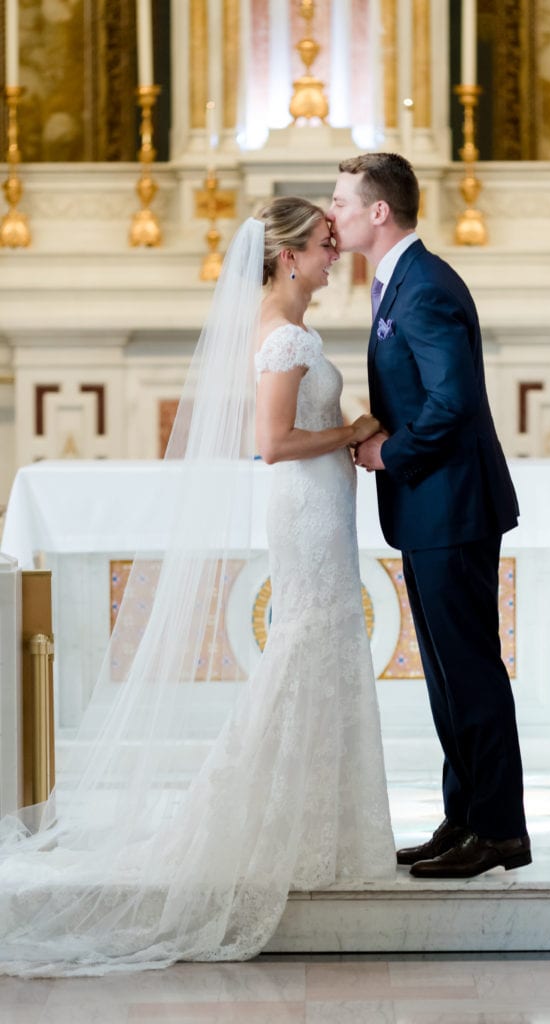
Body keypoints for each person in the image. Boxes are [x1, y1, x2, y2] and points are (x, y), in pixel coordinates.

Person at [0, 198, 395, 976]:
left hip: (322, 503)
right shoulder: (281, 334)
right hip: (306, 504)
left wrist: (349, 428)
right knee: (308, 641)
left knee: (323, 642)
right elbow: (274, 443)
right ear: (286, 257)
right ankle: (286, 825)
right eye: (321, 246)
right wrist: (351, 432)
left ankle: (325, 827)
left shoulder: (290, 327)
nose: (332, 257)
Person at [327, 153, 531, 879]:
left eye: (343, 202)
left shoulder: (422, 290)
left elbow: (451, 401)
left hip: (450, 504)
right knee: (447, 673)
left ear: (379, 212)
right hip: (431, 509)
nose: (333, 213)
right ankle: (466, 816)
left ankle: (501, 830)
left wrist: (391, 454)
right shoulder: (400, 282)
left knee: (468, 669)